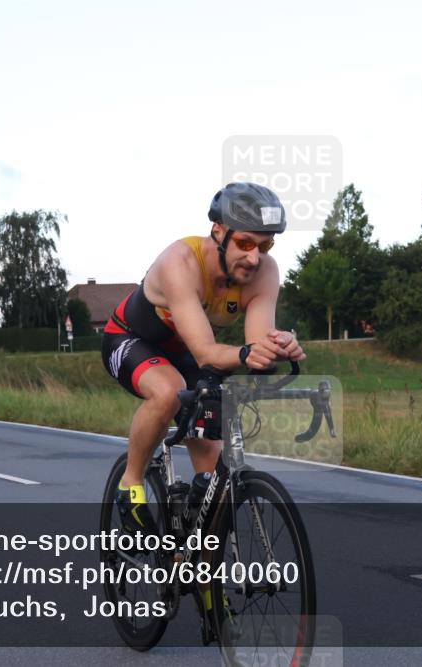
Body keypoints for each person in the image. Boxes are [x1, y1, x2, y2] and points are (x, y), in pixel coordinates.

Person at [101, 182, 306, 535]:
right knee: (168, 391)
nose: (255, 257)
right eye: (245, 243)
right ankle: (130, 486)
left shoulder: (265, 272)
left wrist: (278, 345)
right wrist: (245, 353)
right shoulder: (179, 262)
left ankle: (202, 575)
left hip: (184, 353)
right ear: (218, 232)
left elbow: (255, 345)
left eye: (265, 245)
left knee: (215, 483)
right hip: (130, 339)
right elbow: (207, 353)